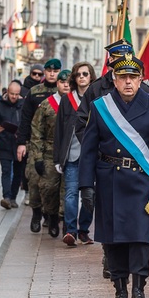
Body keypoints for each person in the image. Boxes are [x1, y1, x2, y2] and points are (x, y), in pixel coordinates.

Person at [79, 53, 149, 298]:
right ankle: (120, 292)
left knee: (140, 240)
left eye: (133, 77)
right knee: (113, 240)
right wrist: (86, 185)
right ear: (114, 79)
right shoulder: (101, 107)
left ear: (142, 79)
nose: (128, 82)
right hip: (109, 180)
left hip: (142, 183)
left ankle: (139, 292)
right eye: (123, 77)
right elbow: (88, 149)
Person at [17, 58, 61, 232]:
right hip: (35, 143)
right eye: (48, 71)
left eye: (55, 71)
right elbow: (25, 118)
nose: (51, 74)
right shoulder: (35, 92)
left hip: (55, 144)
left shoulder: (64, 93)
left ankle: (51, 216)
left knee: (53, 185)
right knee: (34, 181)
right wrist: (21, 143)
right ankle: (36, 212)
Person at [55, 62, 96, 246]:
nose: (82, 77)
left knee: (89, 195)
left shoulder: (97, 98)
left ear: (90, 76)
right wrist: (58, 158)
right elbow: (59, 130)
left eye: (85, 74)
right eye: (78, 74)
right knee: (71, 194)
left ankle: (83, 231)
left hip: (92, 155)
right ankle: (70, 230)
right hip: (71, 154)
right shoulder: (67, 99)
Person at [30, 69, 71, 238]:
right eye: (62, 82)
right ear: (57, 84)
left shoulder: (80, 104)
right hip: (49, 151)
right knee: (48, 188)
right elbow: (36, 130)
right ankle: (52, 216)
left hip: (70, 152)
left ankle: (66, 223)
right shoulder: (47, 104)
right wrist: (38, 157)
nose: (65, 85)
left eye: (68, 82)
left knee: (69, 191)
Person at [0, 81, 24, 209]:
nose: (14, 97)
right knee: (6, 170)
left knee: (18, 172)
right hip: (4, 142)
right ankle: (7, 197)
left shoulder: (23, 105)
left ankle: (13, 197)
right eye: (12, 94)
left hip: (19, 143)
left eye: (17, 94)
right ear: (7, 92)